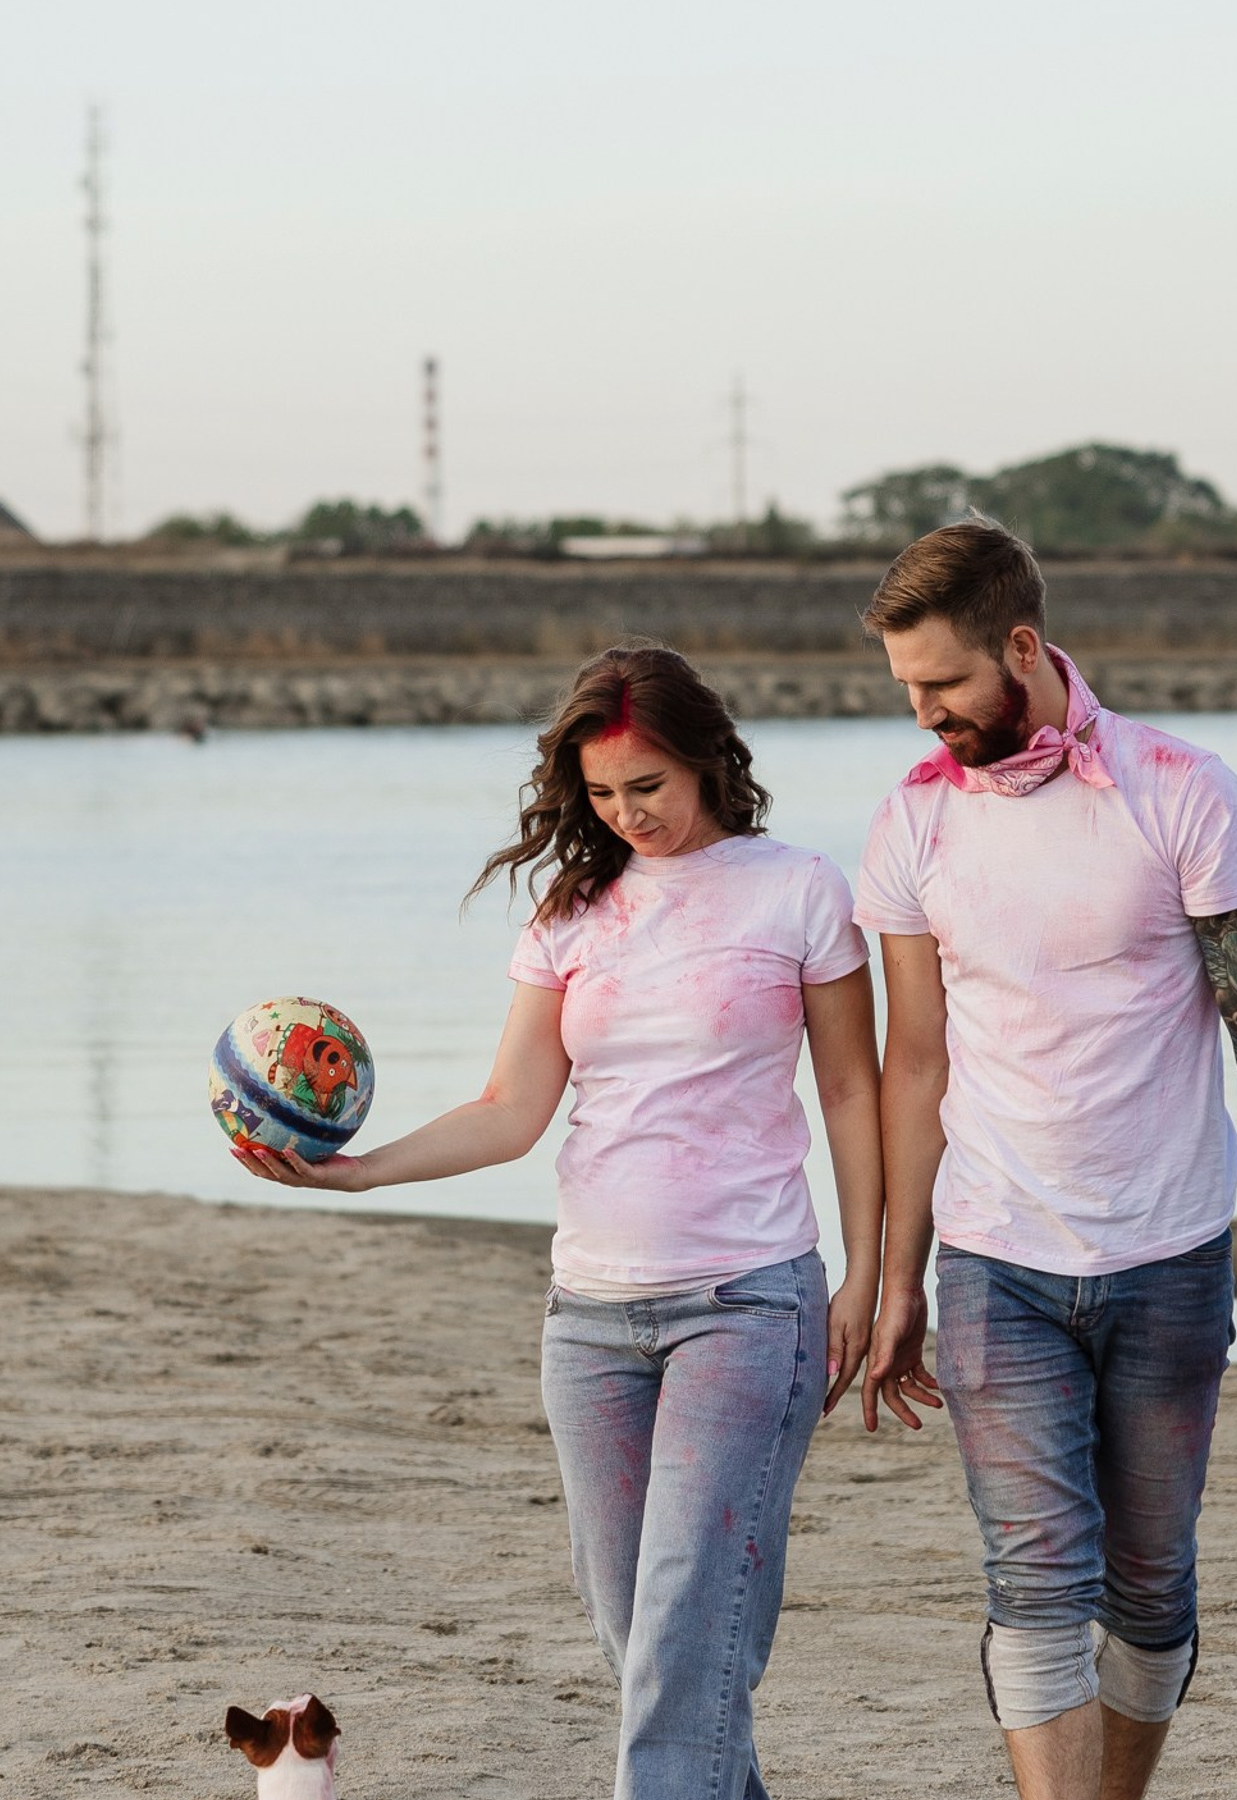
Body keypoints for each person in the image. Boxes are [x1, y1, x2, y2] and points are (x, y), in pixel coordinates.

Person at [236, 642, 883, 1800]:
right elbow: (511, 1108)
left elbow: (849, 1092)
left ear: (706, 760)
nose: (627, 813)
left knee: (684, 1636)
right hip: (589, 1322)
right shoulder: (573, 911)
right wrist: (361, 1173)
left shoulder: (797, 889)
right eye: (601, 792)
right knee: (642, 1642)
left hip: (746, 1307)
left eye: (648, 784)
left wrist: (868, 1272)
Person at [853, 520, 1237, 1800]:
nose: (923, 711)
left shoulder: (1182, 788)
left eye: (943, 682)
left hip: (1167, 1256)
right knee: (1035, 1577)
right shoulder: (911, 821)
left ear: (1021, 647)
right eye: (905, 687)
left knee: (1151, 1587)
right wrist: (898, 1279)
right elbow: (913, 1065)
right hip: (993, 1260)